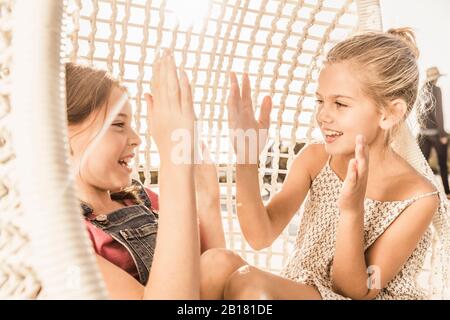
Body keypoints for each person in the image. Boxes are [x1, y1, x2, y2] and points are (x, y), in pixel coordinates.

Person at [200, 28, 448, 300]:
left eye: (340, 104)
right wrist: (246, 156)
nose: (322, 114)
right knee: (214, 263)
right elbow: (260, 236)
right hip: (305, 288)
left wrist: (351, 211)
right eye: (320, 100)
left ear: (390, 114)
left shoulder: (419, 196)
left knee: (248, 286)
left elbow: (355, 289)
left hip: (356, 295)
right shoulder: (316, 159)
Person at [66, 49, 224, 299]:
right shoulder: (61, 235)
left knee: (225, 265)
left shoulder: (144, 200)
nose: (137, 139)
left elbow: (217, 277)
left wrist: (208, 200)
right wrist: (174, 163)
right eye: (119, 124)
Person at [418, 66, 449, 198]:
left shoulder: (422, 90)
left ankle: (423, 192)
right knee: (442, 163)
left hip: (423, 133)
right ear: (436, 78)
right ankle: (447, 192)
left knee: (423, 165)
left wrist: (422, 129)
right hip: (436, 134)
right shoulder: (436, 90)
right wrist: (442, 134)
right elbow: (439, 113)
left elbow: (418, 113)